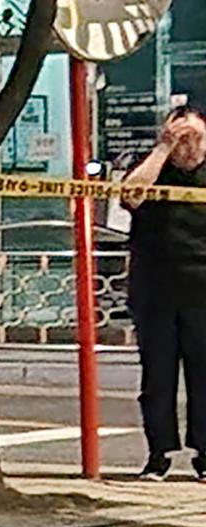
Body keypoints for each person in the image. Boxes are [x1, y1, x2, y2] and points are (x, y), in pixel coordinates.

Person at [120, 105, 206, 481]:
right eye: (180, 138)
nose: (188, 147)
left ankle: (205, 455)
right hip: (155, 288)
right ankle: (159, 455)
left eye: (196, 138)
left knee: (204, 377)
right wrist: (161, 151)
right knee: (157, 379)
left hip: (202, 288)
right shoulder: (154, 169)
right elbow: (131, 197)